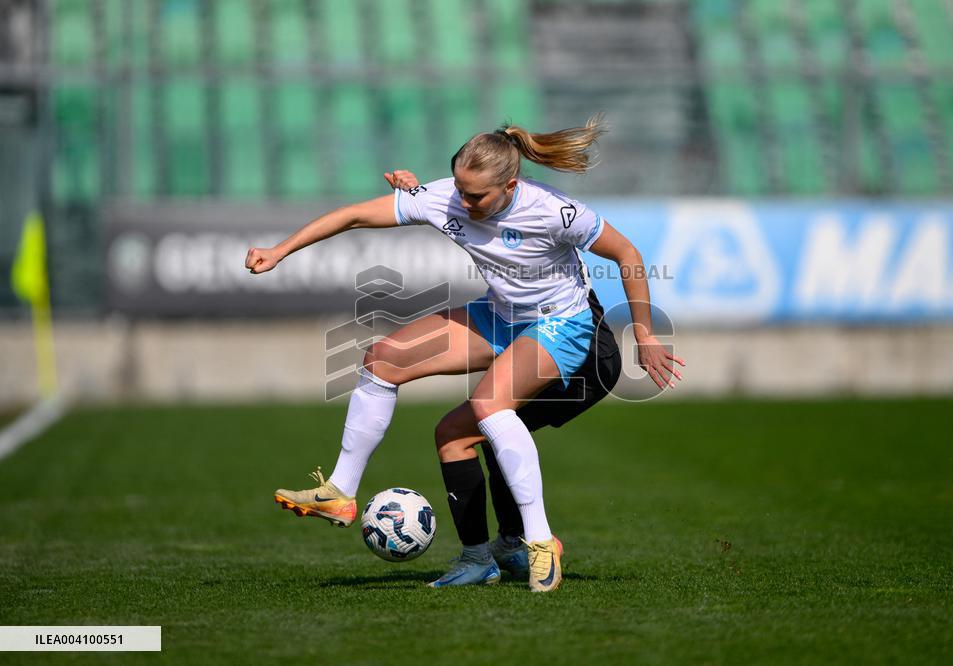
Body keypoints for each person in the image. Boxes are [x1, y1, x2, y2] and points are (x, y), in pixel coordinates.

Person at [245, 116, 684, 592]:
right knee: (388, 366)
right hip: (500, 315)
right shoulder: (445, 196)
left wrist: (645, 333)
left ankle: (540, 545)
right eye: (459, 188)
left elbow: (628, 255)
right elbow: (352, 216)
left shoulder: (553, 211)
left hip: (562, 322)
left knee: (488, 406)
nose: (464, 201)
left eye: (476, 195)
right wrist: (280, 250)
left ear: (510, 186)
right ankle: (346, 494)